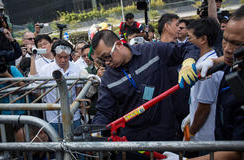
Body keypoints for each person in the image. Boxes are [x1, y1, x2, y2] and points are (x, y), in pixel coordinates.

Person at [91, 30, 199, 159]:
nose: (107, 63)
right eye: (102, 60)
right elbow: (104, 111)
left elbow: (188, 47)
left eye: (107, 56)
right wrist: (95, 131)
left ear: (119, 44)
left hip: (166, 137)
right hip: (133, 146)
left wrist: (188, 62)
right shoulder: (108, 79)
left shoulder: (152, 51)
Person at [165, 5, 244, 160]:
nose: (227, 49)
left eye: (236, 44)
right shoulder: (232, 64)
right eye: (225, 40)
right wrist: (213, 62)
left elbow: (237, 152)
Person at [181, 18, 223, 149]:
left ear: (203, 39)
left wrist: (190, 133)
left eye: (190, 38)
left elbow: (204, 107)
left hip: (206, 138)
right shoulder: (203, 62)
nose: (187, 42)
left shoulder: (208, 68)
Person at [35, 39, 82, 137]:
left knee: (78, 144)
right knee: (56, 146)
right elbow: (39, 91)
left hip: (73, 115)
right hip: (53, 117)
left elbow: (78, 91)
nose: (63, 60)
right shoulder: (45, 70)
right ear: (54, 55)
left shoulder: (76, 68)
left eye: (66, 57)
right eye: (60, 57)